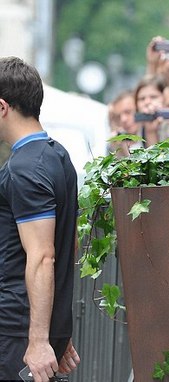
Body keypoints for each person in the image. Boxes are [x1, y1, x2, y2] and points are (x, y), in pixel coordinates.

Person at [0, 56, 80, 381]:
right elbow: (66, 245)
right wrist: (54, 331)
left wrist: (39, 341)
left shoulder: (25, 170)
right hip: (30, 326)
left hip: (15, 330)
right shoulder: (57, 154)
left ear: (2, 107)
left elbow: (44, 256)